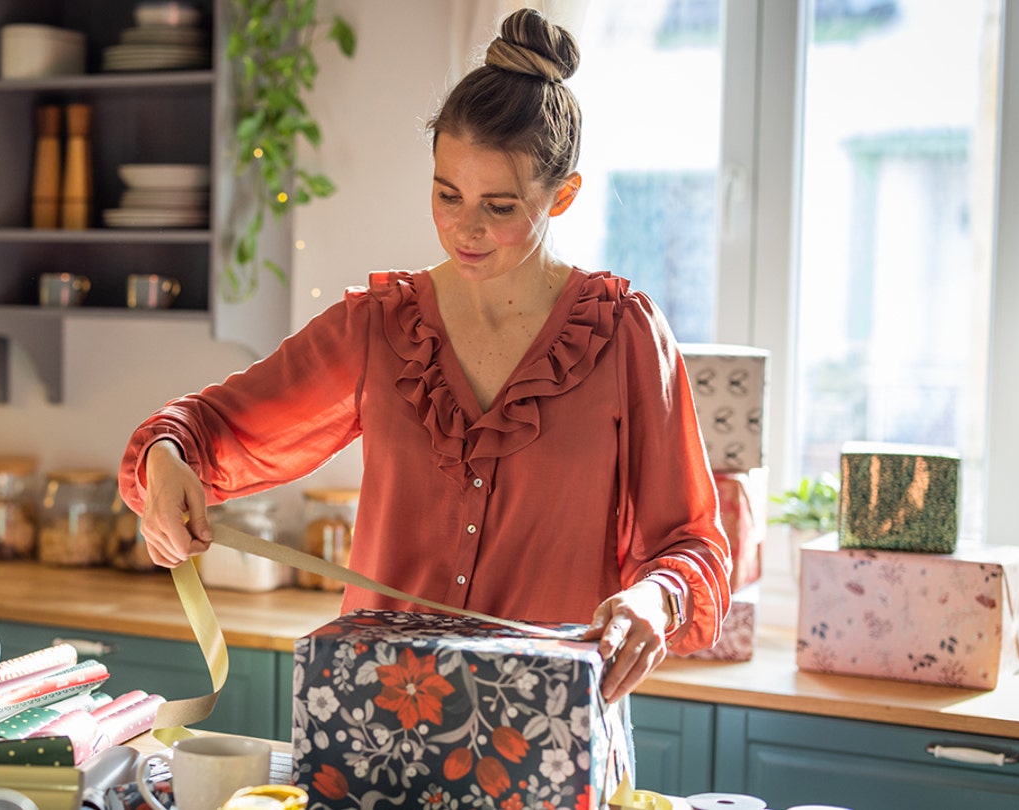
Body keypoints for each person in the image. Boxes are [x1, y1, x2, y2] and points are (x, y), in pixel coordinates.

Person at [119, 8, 731, 702]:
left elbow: (694, 548)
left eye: (499, 206)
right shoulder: (380, 326)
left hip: (544, 727)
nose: (464, 228)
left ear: (563, 196)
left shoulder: (622, 336)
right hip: (378, 717)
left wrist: (655, 600)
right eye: (447, 194)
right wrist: (166, 462)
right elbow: (202, 429)